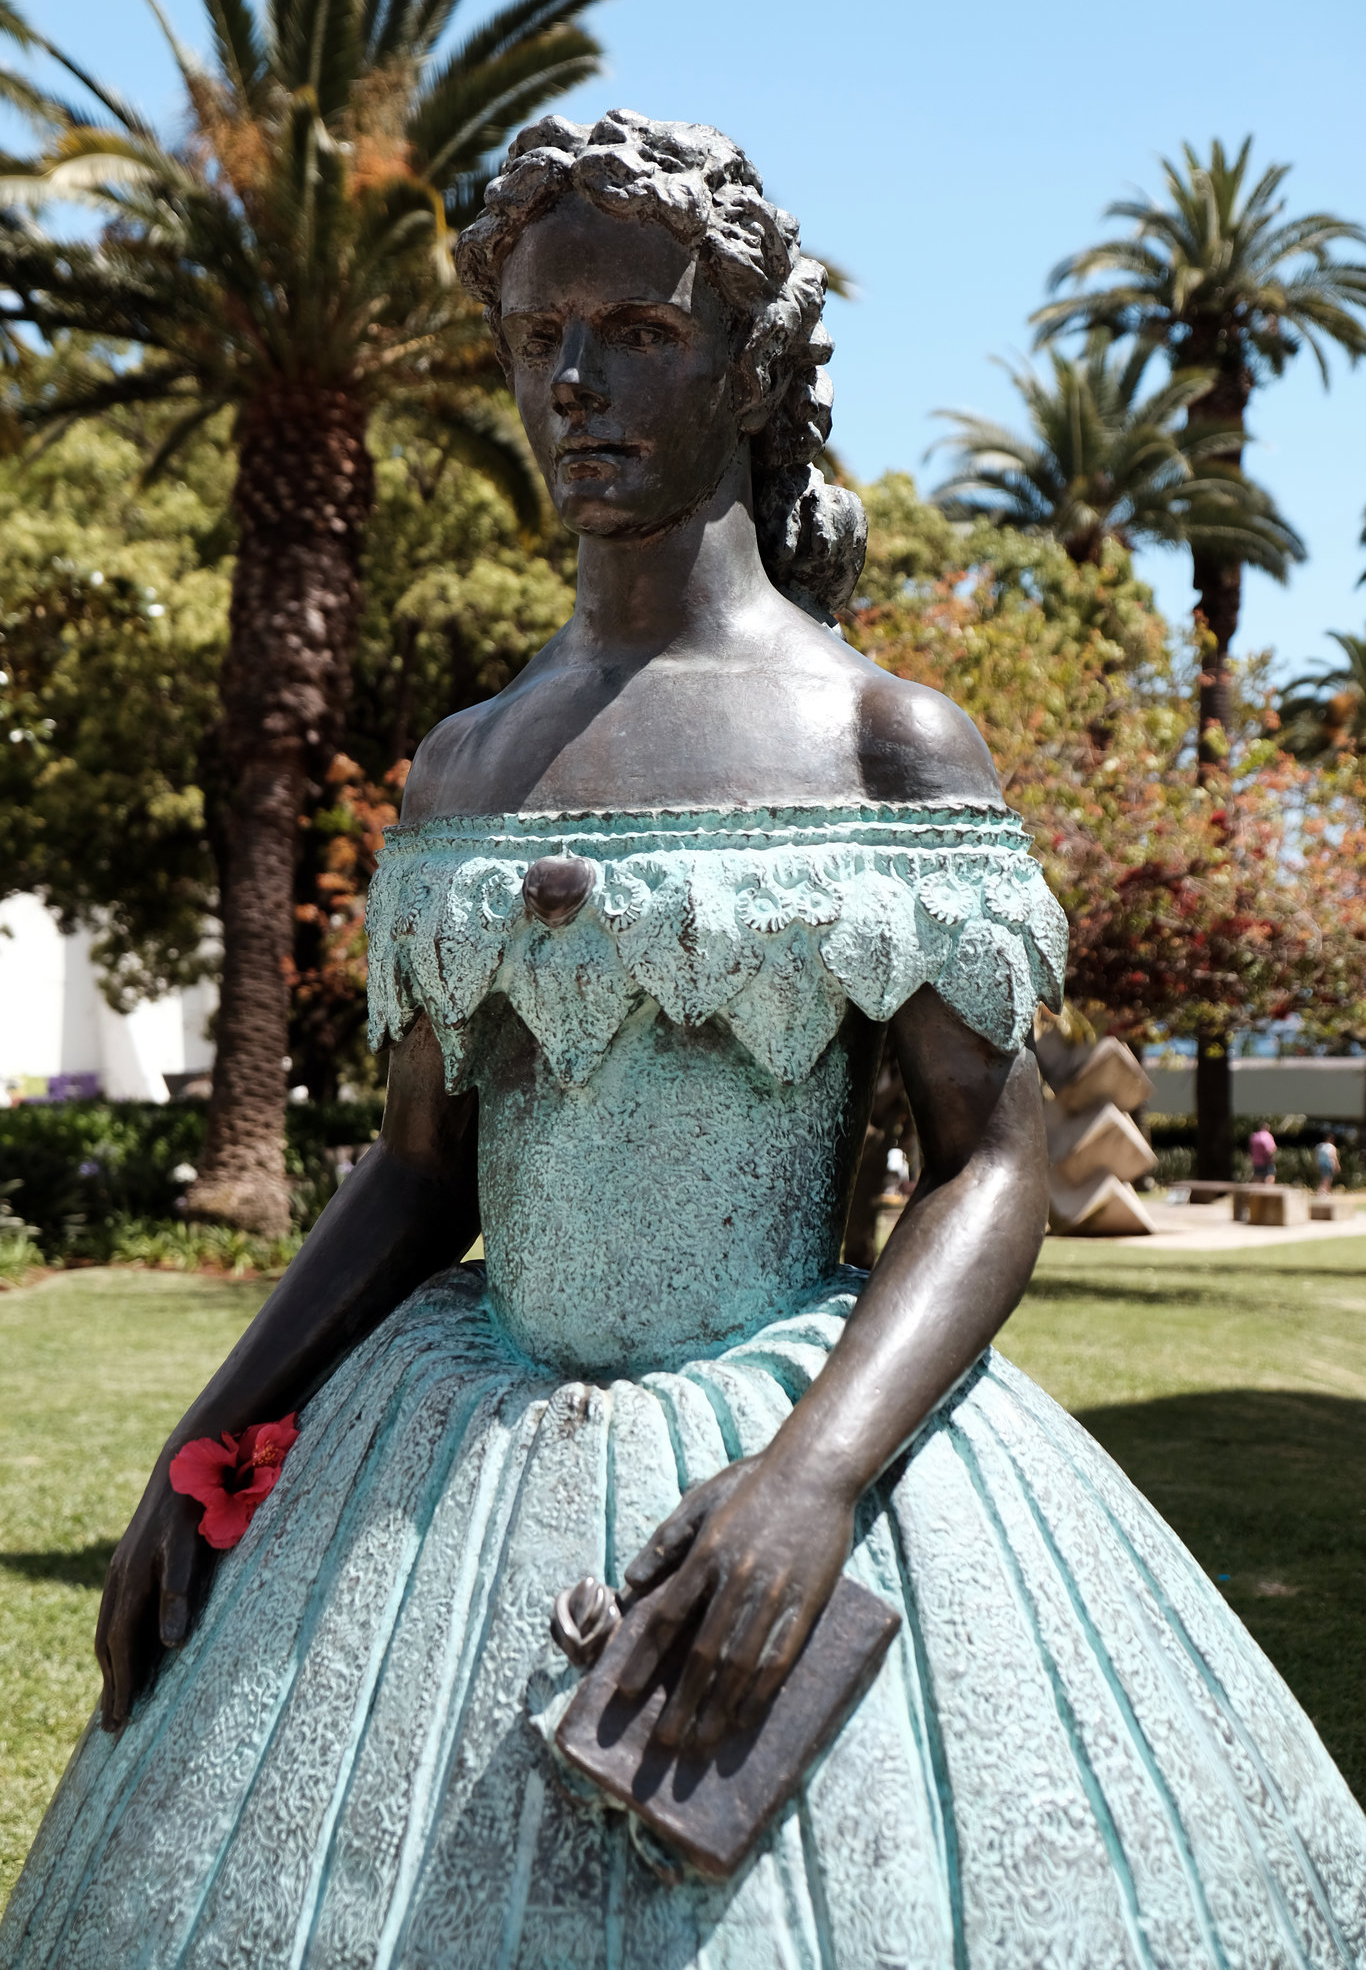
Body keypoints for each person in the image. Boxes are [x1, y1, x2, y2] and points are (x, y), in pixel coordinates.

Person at [5, 111, 1365, 1970]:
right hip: (444, 1460)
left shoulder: (886, 745)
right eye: (536, 340)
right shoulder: (467, 764)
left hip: (779, 1415)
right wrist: (216, 1424)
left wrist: (810, 1479)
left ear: (750, 361)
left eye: (635, 333)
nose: (574, 384)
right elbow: (422, 1170)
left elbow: (992, 1159)